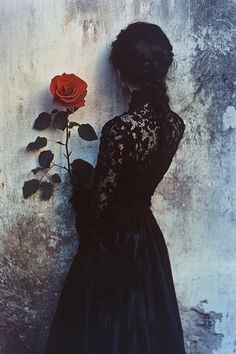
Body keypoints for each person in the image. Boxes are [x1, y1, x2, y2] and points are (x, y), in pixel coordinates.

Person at [44, 21, 186, 354]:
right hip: (147, 240)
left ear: (121, 74)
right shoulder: (176, 125)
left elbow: (100, 206)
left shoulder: (121, 129)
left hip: (114, 245)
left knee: (104, 332)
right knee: (146, 330)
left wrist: (80, 190)